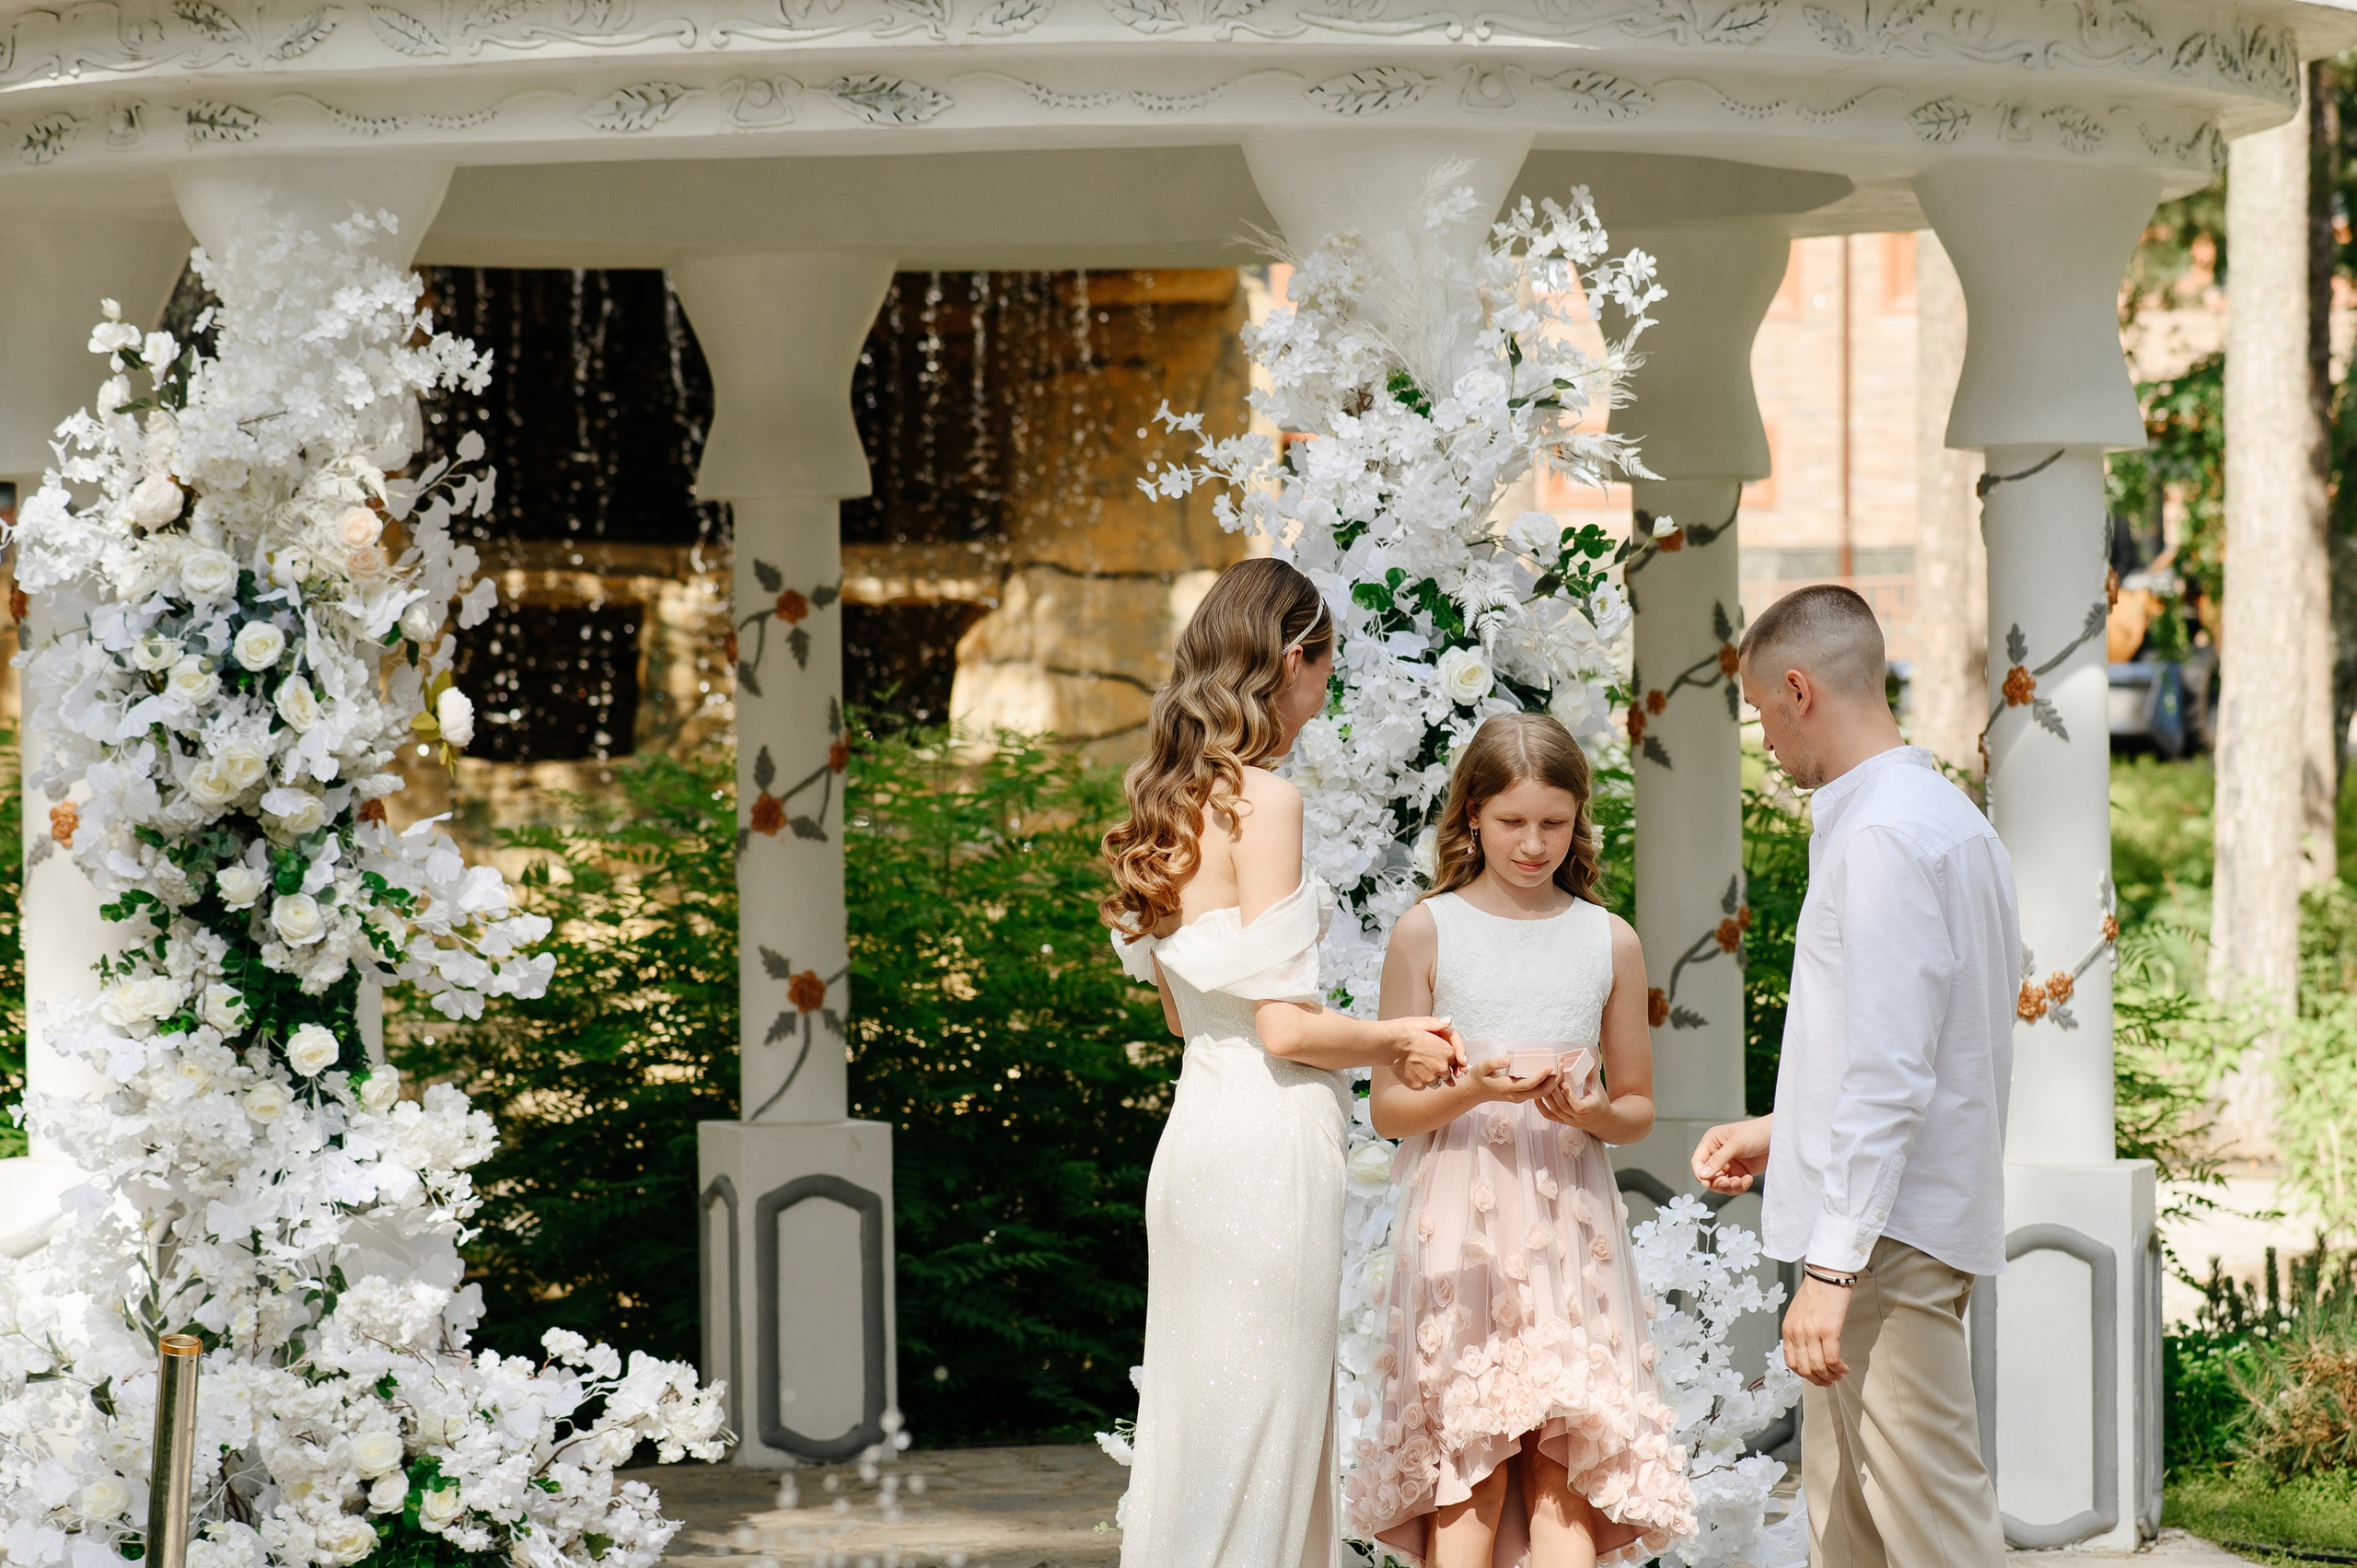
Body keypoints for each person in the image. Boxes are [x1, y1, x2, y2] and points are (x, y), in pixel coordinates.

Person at [1103, 557, 1466, 1568]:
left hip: (1195, 1142)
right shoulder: (1263, 800)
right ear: (1294, 658)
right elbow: (1286, 1031)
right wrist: (1403, 1035)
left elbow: (1189, 1016)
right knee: (1263, 1426)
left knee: (1201, 1428)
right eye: (1327, 666)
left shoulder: (1164, 800)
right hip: (1265, 1143)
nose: (1326, 688)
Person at [1689, 584, 2016, 1568]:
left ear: (1796, 689)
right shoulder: (1940, 817)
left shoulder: (1881, 836)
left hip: (1883, 1237)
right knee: (1846, 1522)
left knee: (1932, 1526)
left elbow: (1891, 1072)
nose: (1766, 740)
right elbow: (1920, 1039)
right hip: (1892, 1220)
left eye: (1758, 714)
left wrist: (1829, 1269)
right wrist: (1782, 1125)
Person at [1352, 713, 1695, 1568]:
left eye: (1555, 821)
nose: (1535, 843)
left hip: (1572, 1222)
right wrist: (1470, 1088)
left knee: (1563, 1462)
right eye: (1513, 822)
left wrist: (1591, 1114)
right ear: (1472, 814)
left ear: (1581, 818)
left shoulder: (1607, 938)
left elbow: (1640, 1103)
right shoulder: (1428, 931)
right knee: (1471, 1468)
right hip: (1459, 1226)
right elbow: (1389, 1109)